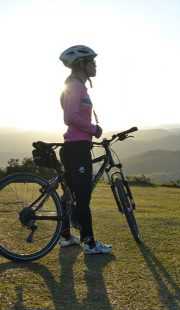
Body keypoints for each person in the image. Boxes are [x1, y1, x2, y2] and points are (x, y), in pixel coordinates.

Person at [57, 45, 112, 254]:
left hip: (76, 147)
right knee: (82, 196)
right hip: (77, 149)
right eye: (92, 62)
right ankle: (89, 243)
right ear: (81, 64)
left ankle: (65, 236)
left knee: (70, 194)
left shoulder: (77, 85)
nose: (95, 66)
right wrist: (94, 129)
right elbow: (69, 118)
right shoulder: (75, 86)